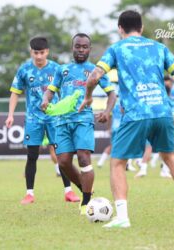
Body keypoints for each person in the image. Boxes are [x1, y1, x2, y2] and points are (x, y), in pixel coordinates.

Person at [79, 10, 174, 228]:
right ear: (142, 27)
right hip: (163, 111)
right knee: (169, 157)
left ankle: (122, 218)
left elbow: (94, 76)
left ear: (120, 28)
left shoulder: (117, 49)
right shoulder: (159, 47)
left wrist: (89, 97)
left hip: (137, 113)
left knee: (118, 163)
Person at [42, 33, 116, 214]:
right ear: (72, 48)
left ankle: (86, 202)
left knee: (83, 157)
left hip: (83, 120)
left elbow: (112, 94)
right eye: (78, 46)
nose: (81, 50)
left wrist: (107, 112)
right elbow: (50, 91)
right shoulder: (62, 70)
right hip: (62, 122)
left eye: (84, 47)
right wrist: (45, 100)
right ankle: (86, 188)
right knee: (64, 162)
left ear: (89, 49)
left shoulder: (96, 70)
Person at [5, 37, 80, 205]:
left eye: (42, 52)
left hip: (55, 118)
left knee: (62, 155)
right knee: (32, 156)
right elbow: (15, 93)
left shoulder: (56, 69)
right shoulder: (24, 70)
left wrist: (66, 111)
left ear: (47, 52)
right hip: (33, 119)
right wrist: (10, 114)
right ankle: (29, 194)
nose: (39, 56)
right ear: (31, 52)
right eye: (35, 52)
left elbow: (65, 92)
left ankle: (69, 191)